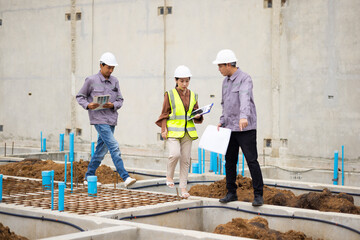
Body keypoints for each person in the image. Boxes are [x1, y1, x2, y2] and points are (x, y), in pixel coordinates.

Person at [76, 52, 136, 188]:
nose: (110, 70)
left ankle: (88, 176)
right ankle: (125, 176)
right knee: (114, 146)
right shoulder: (90, 80)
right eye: (108, 67)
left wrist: (113, 105)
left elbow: (120, 99)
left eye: (112, 68)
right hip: (98, 119)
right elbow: (80, 96)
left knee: (101, 151)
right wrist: (88, 105)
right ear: (101, 65)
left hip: (111, 119)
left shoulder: (115, 81)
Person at [213, 49, 264, 206]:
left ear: (228, 64)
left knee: (251, 160)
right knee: (229, 161)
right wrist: (222, 120)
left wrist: (243, 117)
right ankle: (231, 193)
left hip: (245, 128)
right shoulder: (225, 82)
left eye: (220, 66)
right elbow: (225, 104)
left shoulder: (244, 79)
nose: (219, 69)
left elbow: (245, 98)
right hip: (230, 128)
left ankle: (258, 195)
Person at [156, 65, 203, 198]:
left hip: (188, 132)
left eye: (187, 81)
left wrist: (198, 115)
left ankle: (183, 188)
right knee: (174, 154)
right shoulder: (169, 94)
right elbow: (164, 113)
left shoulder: (193, 95)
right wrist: (163, 129)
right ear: (176, 80)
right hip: (173, 131)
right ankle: (169, 176)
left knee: (185, 160)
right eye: (181, 81)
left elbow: (195, 112)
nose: (184, 84)